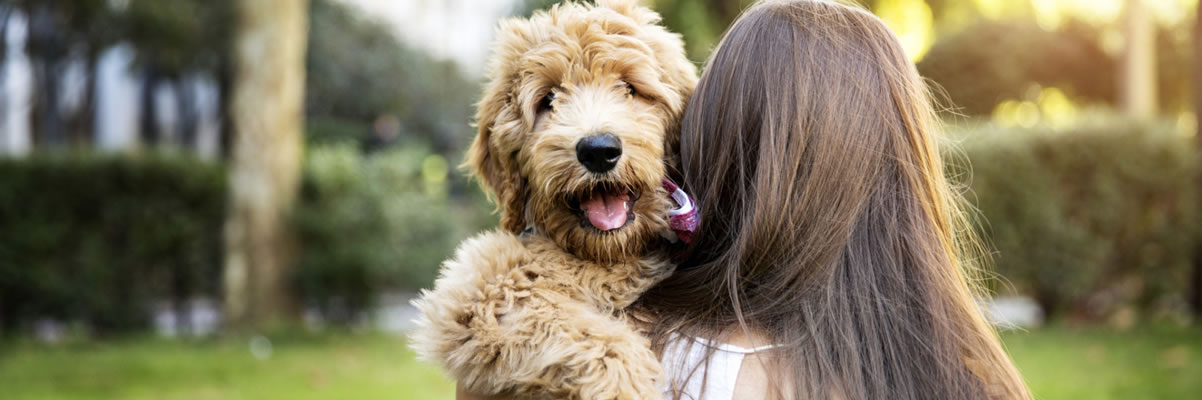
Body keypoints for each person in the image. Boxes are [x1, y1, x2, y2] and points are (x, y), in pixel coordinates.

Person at [460, 0, 1031, 399]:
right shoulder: (974, 374)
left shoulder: (654, 346)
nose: (596, 127)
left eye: (632, 91)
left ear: (704, 139)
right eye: (549, 100)